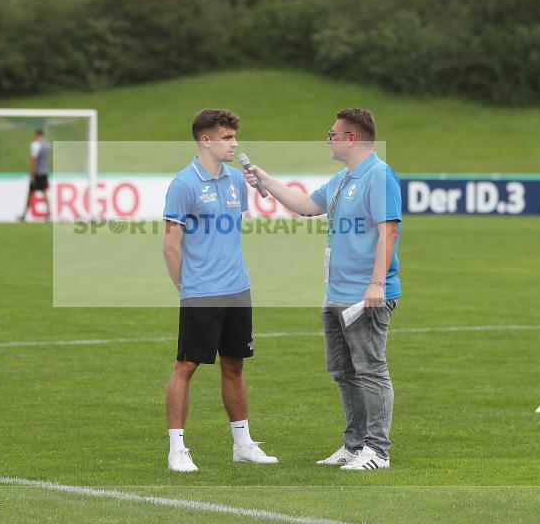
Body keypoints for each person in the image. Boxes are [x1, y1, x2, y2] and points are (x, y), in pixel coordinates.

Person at [243, 108, 402, 471]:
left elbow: (388, 231)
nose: (327, 138)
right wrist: (265, 180)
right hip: (336, 294)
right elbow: (305, 206)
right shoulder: (342, 180)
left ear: (352, 138)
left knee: (371, 370)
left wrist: (376, 283)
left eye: (332, 133)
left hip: (366, 296)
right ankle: (354, 444)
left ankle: (377, 451)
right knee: (344, 372)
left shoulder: (379, 175)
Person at [162, 108, 278, 473]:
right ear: (205, 140)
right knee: (187, 366)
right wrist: (186, 285)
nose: (234, 144)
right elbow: (170, 245)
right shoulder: (183, 184)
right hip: (201, 292)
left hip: (237, 289)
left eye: (234, 137)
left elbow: (228, 234)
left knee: (234, 366)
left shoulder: (236, 181)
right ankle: (177, 449)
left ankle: (243, 444)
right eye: (227, 138)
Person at [19, 129, 51, 221]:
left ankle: (24, 214)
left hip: (37, 173)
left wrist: (32, 174)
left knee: (30, 193)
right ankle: (48, 213)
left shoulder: (35, 145)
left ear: (37, 135)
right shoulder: (47, 145)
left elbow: (34, 160)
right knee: (44, 192)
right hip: (45, 172)